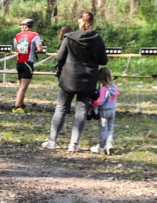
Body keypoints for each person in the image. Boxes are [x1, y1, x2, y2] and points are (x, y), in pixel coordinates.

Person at [42, 11, 108, 151]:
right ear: (92, 22)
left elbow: (59, 58)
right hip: (88, 80)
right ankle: (73, 144)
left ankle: (52, 141)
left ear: (79, 21)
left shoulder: (69, 37)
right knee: (81, 111)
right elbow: (103, 60)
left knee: (61, 108)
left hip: (68, 79)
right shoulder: (97, 39)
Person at [12, 18, 43, 113]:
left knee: (21, 85)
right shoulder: (35, 35)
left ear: (25, 27)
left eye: (22, 27)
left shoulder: (17, 36)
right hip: (28, 63)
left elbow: (16, 50)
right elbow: (40, 49)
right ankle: (16, 106)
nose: (21, 28)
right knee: (23, 87)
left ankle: (21, 104)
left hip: (19, 63)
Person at [89, 66, 118, 155]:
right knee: (110, 128)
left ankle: (101, 148)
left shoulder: (104, 89)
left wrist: (92, 103)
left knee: (103, 129)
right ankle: (109, 145)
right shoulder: (114, 87)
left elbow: (99, 102)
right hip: (112, 110)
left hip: (104, 112)